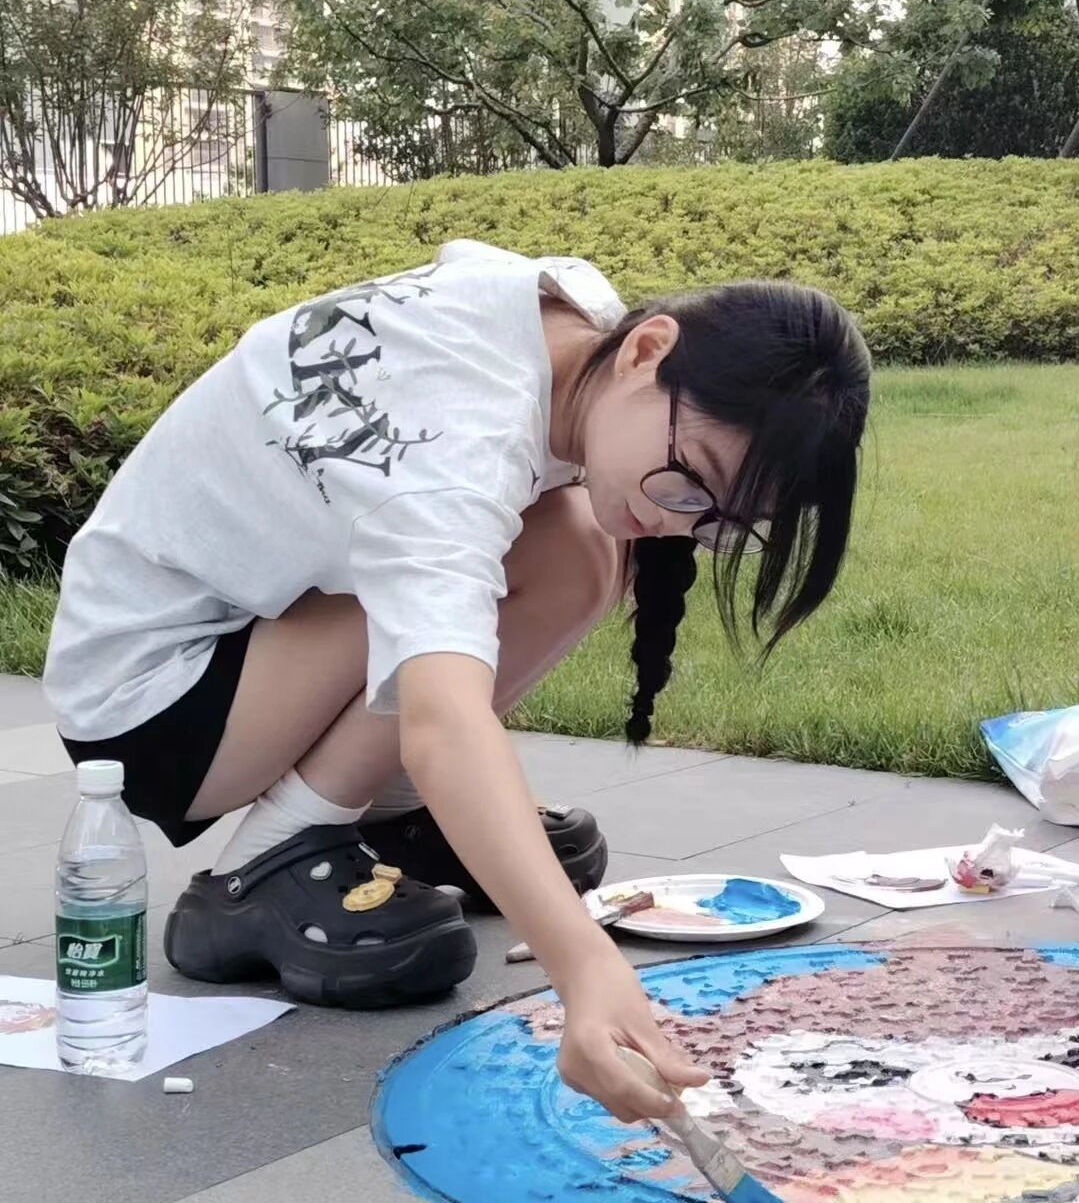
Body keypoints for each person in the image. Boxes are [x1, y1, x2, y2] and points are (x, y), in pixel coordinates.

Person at [42, 239, 870, 1118]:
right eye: (690, 481)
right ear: (647, 349)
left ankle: (392, 816)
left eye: (721, 521)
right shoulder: (451, 446)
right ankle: (273, 859)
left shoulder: (565, 320)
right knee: (558, 554)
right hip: (153, 698)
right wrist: (585, 969)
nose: (678, 522)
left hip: (250, 639)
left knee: (577, 542)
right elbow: (442, 720)